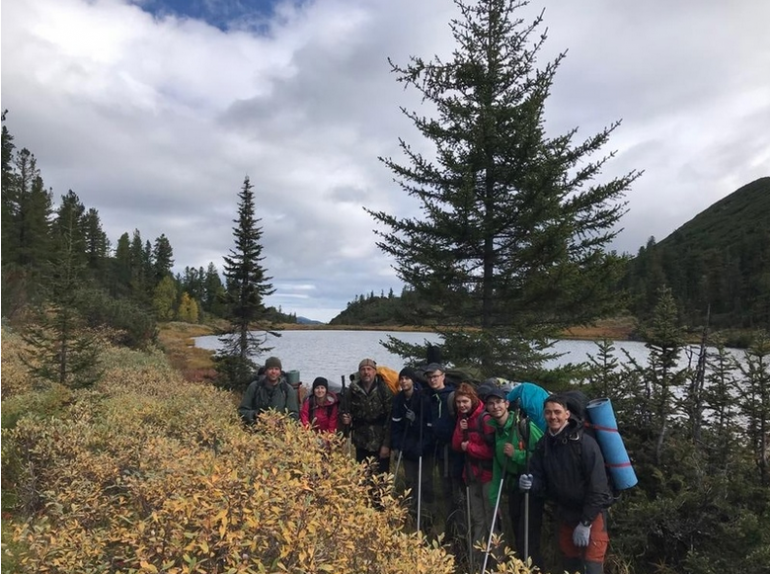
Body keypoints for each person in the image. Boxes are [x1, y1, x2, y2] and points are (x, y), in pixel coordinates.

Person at [519, 395, 614, 574]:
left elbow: (599, 488)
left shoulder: (585, 444)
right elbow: (540, 480)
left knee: (592, 567)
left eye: (557, 412)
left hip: (592, 516)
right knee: (570, 567)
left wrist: (585, 523)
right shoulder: (544, 445)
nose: (552, 416)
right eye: (548, 412)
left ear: (567, 414)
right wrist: (531, 483)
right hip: (564, 514)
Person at [485, 386, 545, 570]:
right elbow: (497, 467)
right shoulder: (497, 432)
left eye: (498, 402)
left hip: (530, 487)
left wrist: (517, 454)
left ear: (507, 404)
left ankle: (535, 570)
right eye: (491, 404)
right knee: (519, 537)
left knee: (528, 537)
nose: (495, 407)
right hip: (513, 488)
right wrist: (494, 499)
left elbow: (542, 452)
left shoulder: (524, 426)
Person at [451, 383, 495, 569]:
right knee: (478, 519)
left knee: (492, 520)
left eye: (465, 401)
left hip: (487, 475)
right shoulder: (463, 419)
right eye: (459, 402)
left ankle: (495, 563)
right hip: (471, 475)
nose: (461, 405)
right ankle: (477, 563)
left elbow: (492, 451)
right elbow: (455, 445)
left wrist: (469, 447)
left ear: (473, 400)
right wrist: (461, 431)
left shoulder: (484, 419)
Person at [423, 362, 463, 537]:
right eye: (430, 377)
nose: (432, 380)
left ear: (443, 376)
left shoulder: (451, 397)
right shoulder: (430, 397)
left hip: (454, 452)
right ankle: (450, 531)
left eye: (435, 376)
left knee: (457, 493)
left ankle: (459, 531)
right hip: (440, 452)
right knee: (446, 492)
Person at [390, 367, 434, 521]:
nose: (403, 381)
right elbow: (395, 425)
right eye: (401, 379)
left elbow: (429, 427)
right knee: (410, 481)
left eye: (407, 378)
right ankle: (411, 512)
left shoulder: (423, 399)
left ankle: (427, 514)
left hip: (422, 448)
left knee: (425, 481)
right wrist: (396, 446)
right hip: (407, 447)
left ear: (412, 381)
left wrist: (416, 422)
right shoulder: (398, 400)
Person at [339, 358, 393, 474]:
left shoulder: (383, 389)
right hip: (361, 441)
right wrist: (346, 419)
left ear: (374, 371)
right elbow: (343, 410)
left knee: (381, 479)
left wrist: (386, 444)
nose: (366, 372)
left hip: (380, 440)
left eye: (369, 369)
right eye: (363, 369)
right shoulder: (352, 390)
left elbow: (390, 418)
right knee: (362, 477)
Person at [238, 356, 299, 423]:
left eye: (276, 369)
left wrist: (279, 422)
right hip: (255, 429)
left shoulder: (287, 389)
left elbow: (294, 415)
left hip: (280, 431)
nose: (273, 372)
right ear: (265, 371)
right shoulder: (255, 387)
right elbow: (242, 411)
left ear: (280, 372)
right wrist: (258, 416)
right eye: (270, 369)